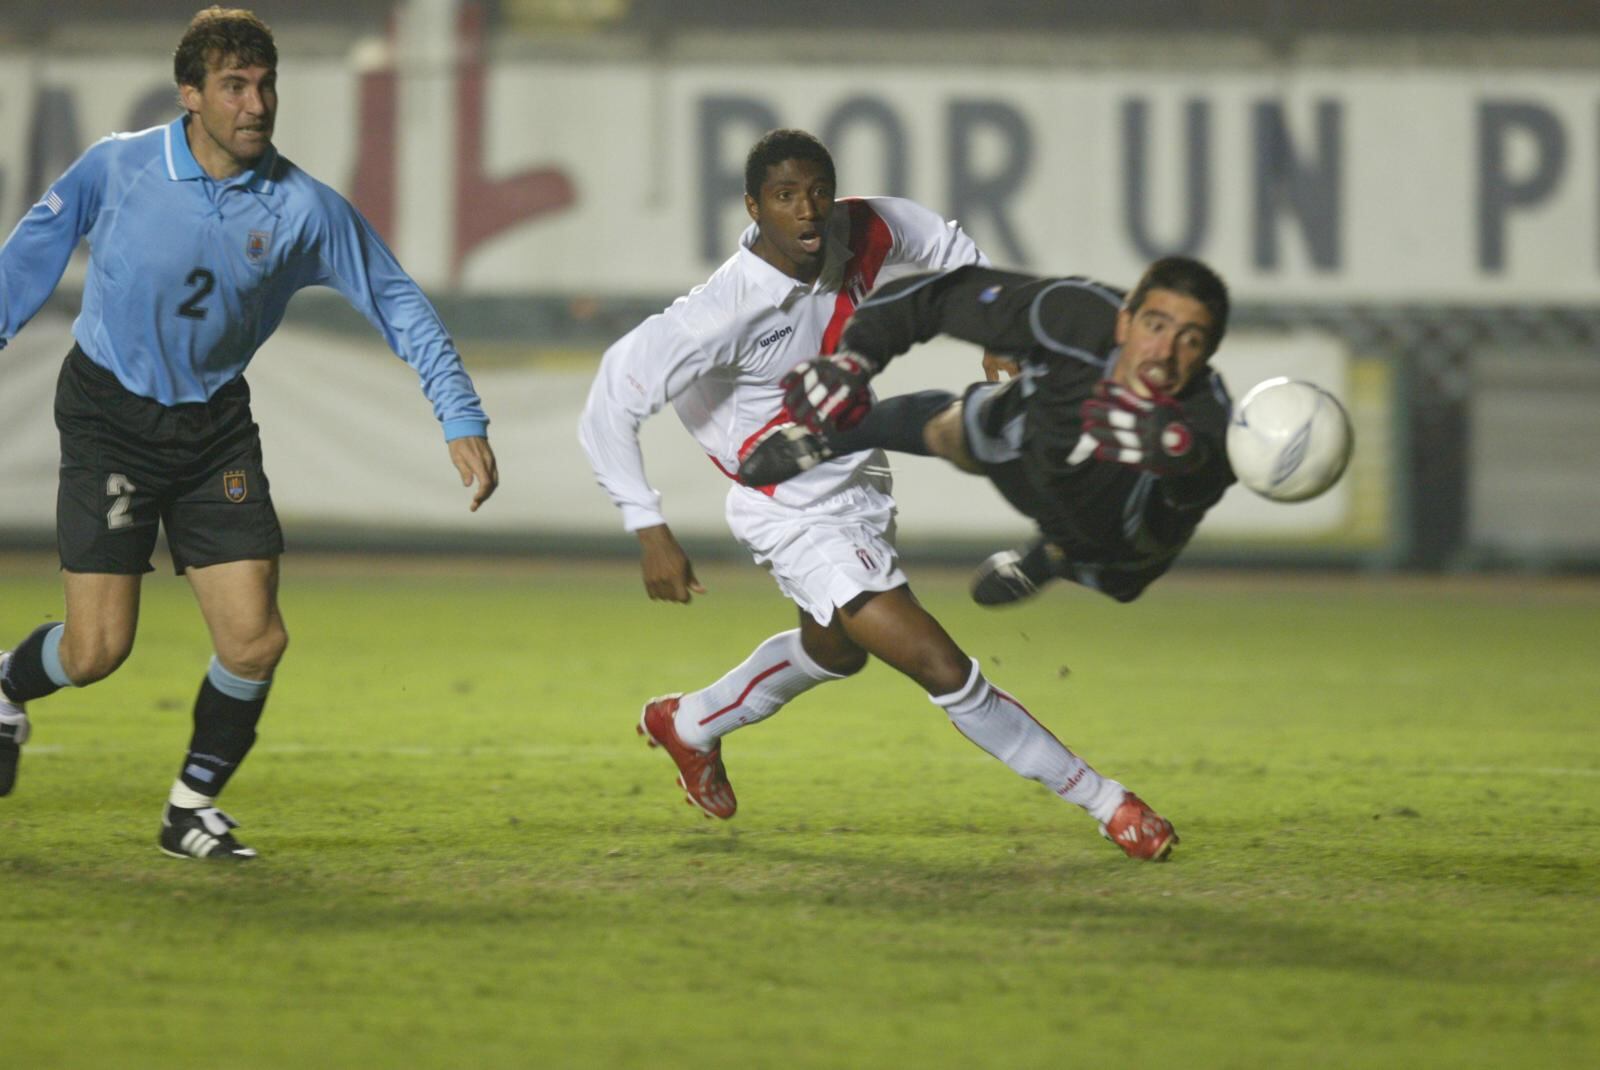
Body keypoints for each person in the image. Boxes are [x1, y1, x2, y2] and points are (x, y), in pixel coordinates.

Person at [580, 128, 1177, 861]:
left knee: (833, 652)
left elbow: (947, 245)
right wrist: (650, 528)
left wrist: (1000, 330)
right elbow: (609, 403)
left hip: (853, 471)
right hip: (788, 506)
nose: (807, 210)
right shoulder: (718, 314)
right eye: (785, 196)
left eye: (817, 192)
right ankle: (1108, 802)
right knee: (942, 667)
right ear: (752, 206)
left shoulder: (859, 229)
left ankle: (691, 723)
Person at [0, 7, 499, 860]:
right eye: (235, 86)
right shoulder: (118, 168)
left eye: (266, 85)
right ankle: (7, 684)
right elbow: (25, 260)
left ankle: (189, 809)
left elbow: (398, 301)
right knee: (95, 652)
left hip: (212, 431)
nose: (257, 104)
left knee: (256, 638)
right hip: (108, 417)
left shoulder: (303, 208)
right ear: (190, 95)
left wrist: (458, 413)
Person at [738, 257, 1235, 608]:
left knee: (1122, 582)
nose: (1164, 353)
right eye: (1155, 325)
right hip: (1029, 442)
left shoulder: (1207, 422)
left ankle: (1051, 558)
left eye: (1189, 339)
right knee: (951, 432)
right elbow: (932, 297)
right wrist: (855, 358)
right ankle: (829, 439)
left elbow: (1204, 482)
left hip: (1103, 536)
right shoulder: (1073, 316)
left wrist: (1184, 463)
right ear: (1125, 321)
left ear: (1208, 353)